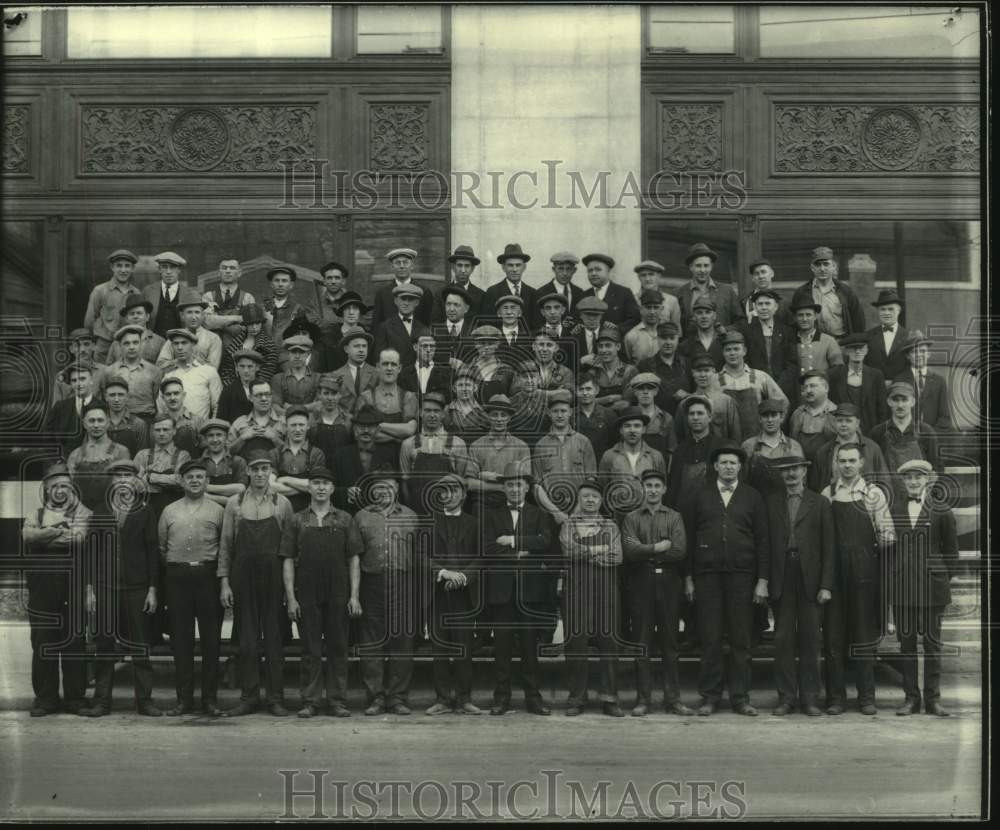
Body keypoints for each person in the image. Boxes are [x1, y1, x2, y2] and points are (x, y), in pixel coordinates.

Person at [683, 443, 769, 716]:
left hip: (742, 577)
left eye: (733, 463)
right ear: (716, 467)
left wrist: (762, 580)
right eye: (724, 463)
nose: (729, 467)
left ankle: (740, 698)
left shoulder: (752, 497)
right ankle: (710, 697)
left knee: (741, 640)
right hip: (706, 576)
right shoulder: (699, 495)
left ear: (740, 467)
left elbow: (763, 541)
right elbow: (687, 538)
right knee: (710, 639)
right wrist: (688, 578)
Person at [81, 459, 161, 717]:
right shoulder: (99, 509)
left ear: (135, 481)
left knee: (140, 645)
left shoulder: (146, 511)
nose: (123, 480)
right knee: (104, 644)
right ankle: (102, 701)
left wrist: (152, 589)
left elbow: (152, 553)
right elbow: (90, 552)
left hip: (136, 586)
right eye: (118, 476)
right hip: (105, 586)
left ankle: (144, 701)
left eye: (128, 476)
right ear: (112, 481)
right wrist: (90, 588)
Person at [218, 451, 296, 717]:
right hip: (243, 578)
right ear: (248, 472)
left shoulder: (282, 503)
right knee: (247, 641)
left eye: (265, 469)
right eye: (255, 469)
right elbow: (226, 545)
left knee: (274, 640)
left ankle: (275, 698)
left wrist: (289, 590)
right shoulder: (234, 503)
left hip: (273, 578)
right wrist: (224, 583)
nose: (260, 474)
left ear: (270, 472)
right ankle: (248, 697)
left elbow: (289, 549)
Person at [819, 442, 895, 715]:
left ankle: (866, 698)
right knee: (833, 638)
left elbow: (888, 537)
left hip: (864, 576)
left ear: (862, 463)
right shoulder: (827, 494)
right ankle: (835, 698)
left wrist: (865, 549)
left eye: (852, 460)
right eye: (843, 461)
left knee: (864, 637)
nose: (847, 465)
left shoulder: (873, 494)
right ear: (836, 463)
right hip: (833, 576)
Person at [283, 466, 364, 718]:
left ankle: (338, 700)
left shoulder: (344, 519)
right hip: (307, 590)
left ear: (331, 489)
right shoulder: (297, 520)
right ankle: (311, 701)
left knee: (338, 646)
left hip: (338, 591)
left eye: (325, 483)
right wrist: (291, 598)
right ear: (309, 487)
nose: (320, 487)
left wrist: (354, 595)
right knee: (310, 648)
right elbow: (286, 559)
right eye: (316, 483)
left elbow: (354, 559)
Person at [483, 461, 556, 716]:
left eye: (519, 485)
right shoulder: (491, 516)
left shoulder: (540, 515)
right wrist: (522, 552)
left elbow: (544, 541)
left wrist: (512, 540)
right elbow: (488, 548)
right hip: (502, 591)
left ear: (527, 488)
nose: (515, 489)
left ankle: (533, 698)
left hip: (530, 591)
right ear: (504, 488)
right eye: (510, 485)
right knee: (501, 648)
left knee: (529, 647)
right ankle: (501, 698)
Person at [765, 455, 834, 717]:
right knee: (782, 640)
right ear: (781, 475)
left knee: (810, 640)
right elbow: (765, 545)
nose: (791, 474)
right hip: (782, 575)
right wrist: (765, 580)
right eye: (785, 470)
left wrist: (826, 584)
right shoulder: (771, 502)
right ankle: (786, 698)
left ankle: (810, 698)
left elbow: (829, 547)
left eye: (795, 469)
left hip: (811, 579)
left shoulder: (820, 503)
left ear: (805, 471)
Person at [889, 459, 959, 717]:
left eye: (918, 477)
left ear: (928, 479)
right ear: (903, 481)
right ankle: (910, 699)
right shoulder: (895, 508)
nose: (914, 482)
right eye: (909, 478)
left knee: (932, 645)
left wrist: (940, 577)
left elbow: (952, 553)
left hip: (932, 588)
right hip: (903, 588)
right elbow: (890, 550)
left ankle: (933, 699)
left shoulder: (941, 509)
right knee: (906, 647)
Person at [22, 463, 92, 716]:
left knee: (74, 640)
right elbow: (27, 536)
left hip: (72, 585)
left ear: (72, 489)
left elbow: (78, 537)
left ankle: (75, 699)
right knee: (43, 641)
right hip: (42, 587)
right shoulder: (36, 513)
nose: (60, 491)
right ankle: (45, 699)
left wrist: (44, 534)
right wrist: (57, 529)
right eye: (55, 487)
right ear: (47, 490)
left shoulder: (83, 512)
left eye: (64, 486)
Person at [157, 458, 226, 716]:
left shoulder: (218, 510)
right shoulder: (169, 510)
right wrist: (180, 567)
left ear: (207, 481)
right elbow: (162, 548)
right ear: (181, 481)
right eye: (190, 477)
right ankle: (183, 700)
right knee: (181, 641)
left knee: (211, 641)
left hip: (208, 576)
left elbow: (224, 547)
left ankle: (210, 700)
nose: (195, 480)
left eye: (200, 476)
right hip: (178, 577)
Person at [621, 468, 692, 716]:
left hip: (670, 582)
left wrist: (646, 550)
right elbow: (629, 551)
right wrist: (658, 546)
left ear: (664, 490)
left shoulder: (674, 517)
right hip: (641, 581)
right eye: (648, 485)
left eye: (656, 486)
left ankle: (673, 699)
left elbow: (679, 551)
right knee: (642, 642)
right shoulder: (631, 518)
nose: (652, 490)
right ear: (642, 488)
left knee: (670, 643)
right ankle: (643, 700)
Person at [354, 467, 424, 715]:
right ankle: (376, 697)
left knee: (401, 641)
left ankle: (397, 698)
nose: (384, 491)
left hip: (403, 582)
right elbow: (354, 557)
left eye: (390, 487)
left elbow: (418, 557)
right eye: (379, 487)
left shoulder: (411, 516)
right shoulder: (361, 517)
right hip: (371, 582)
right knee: (371, 642)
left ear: (397, 489)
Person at [560, 476, 625, 717]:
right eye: (586, 495)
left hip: (606, 590)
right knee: (576, 642)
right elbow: (568, 550)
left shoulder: (611, 526)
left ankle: (610, 698)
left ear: (601, 500)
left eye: (594, 496)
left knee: (609, 641)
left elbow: (617, 556)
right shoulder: (568, 524)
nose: (590, 500)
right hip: (576, 589)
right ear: (579, 498)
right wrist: (598, 550)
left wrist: (585, 552)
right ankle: (576, 698)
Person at [424, 473, 483, 715]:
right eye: (444, 491)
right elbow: (420, 556)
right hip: (437, 594)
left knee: (464, 647)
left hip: (465, 596)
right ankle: (442, 699)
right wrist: (444, 572)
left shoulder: (475, 523)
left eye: (454, 490)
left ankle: (464, 699)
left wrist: (463, 577)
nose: (449, 495)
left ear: (463, 494)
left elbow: (481, 558)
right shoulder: (429, 522)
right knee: (439, 648)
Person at [531, 389, 598, 523]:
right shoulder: (541, 445)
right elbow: (536, 486)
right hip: (550, 512)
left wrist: (578, 510)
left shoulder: (583, 441)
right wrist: (556, 512)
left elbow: (591, 480)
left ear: (571, 412)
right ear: (549, 414)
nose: (560, 415)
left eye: (563, 411)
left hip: (580, 510)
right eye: (555, 411)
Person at [400, 392, 469, 515]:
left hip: (447, 512)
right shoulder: (408, 444)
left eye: (436, 411)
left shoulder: (458, 444)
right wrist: (410, 509)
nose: (432, 415)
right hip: (416, 511)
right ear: (420, 412)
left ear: (443, 414)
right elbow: (405, 482)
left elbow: (461, 481)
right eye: (427, 410)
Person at [716, 330, 789, 439]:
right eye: (728, 350)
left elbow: (783, 403)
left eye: (736, 349)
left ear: (744, 351)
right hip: (726, 441)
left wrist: (772, 429)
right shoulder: (714, 379)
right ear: (723, 352)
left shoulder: (760, 376)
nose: (732, 353)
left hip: (756, 440)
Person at [598, 406, 668, 519]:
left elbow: (662, 490)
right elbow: (603, 488)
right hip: (619, 518)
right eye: (627, 426)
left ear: (644, 429)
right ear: (621, 430)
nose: (632, 430)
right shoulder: (609, 456)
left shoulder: (655, 456)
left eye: (637, 426)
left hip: (649, 518)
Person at [467, 394, 532, 514]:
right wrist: (503, 485)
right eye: (494, 415)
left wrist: (491, 477)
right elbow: (470, 484)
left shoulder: (521, 447)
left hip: (512, 505)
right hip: (483, 504)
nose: (499, 419)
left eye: (503, 415)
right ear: (488, 416)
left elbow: (525, 484)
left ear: (509, 418)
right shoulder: (476, 446)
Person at [329, 406, 398, 514]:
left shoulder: (389, 454)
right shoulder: (340, 455)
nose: (366, 430)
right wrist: (346, 492)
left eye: (370, 426)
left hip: (380, 516)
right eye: (361, 426)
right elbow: (330, 487)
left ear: (378, 429)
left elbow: (396, 488)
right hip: (348, 514)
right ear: (354, 429)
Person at [810, 402, 888, 494]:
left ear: (857, 423)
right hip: (835, 501)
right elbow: (815, 486)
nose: (843, 424)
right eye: (839, 420)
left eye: (848, 420)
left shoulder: (872, 448)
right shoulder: (824, 451)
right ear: (834, 423)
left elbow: (884, 481)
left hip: (864, 502)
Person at [66, 401, 130, 511]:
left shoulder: (121, 451)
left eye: (100, 420)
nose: (96, 425)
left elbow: (124, 487)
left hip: (111, 511)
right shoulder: (75, 454)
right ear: (84, 424)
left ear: (108, 423)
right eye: (91, 421)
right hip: (82, 513)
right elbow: (71, 489)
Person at [789, 246, 865, 338]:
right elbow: (794, 322)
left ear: (833, 266)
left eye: (826, 264)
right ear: (812, 268)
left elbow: (858, 320)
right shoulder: (802, 292)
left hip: (840, 343)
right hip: (814, 343)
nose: (822, 268)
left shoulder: (846, 291)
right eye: (818, 265)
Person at [870, 381, 942, 474]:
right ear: (889, 401)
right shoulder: (878, 432)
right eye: (895, 400)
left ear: (913, 402)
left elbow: (936, 468)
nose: (900, 405)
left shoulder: (926, 431)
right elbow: (873, 468)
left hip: (919, 487)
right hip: (888, 488)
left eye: (904, 400)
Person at [667, 395, 725, 509]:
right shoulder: (680, 450)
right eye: (691, 414)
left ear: (709, 417)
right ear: (687, 418)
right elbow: (673, 488)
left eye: (700, 413)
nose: (695, 417)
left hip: (713, 511)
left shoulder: (722, 447)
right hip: (685, 512)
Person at [357, 348, 418, 454]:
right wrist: (396, 438)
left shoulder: (408, 397)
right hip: (371, 457)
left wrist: (378, 426)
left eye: (393, 364)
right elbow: (361, 433)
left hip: (399, 458)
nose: (389, 368)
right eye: (385, 364)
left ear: (399, 368)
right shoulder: (366, 397)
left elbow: (410, 430)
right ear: (377, 367)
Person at [739, 288, 798, 401]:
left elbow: (792, 364)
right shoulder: (746, 331)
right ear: (755, 307)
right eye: (760, 304)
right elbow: (745, 362)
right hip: (756, 388)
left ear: (775, 307)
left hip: (782, 388)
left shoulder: (787, 331)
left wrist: (778, 387)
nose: (764, 307)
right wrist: (757, 385)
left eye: (768, 303)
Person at [84, 249, 141, 363]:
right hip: (104, 346)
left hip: (127, 346)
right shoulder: (100, 291)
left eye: (127, 266)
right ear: (112, 267)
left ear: (133, 268)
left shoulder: (136, 293)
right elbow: (90, 321)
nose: (123, 270)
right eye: (119, 266)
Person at [740, 399, 804, 499]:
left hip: (784, 503)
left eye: (774, 415)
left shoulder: (793, 446)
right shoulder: (749, 446)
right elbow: (741, 481)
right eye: (765, 416)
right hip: (756, 503)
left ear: (782, 417)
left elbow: (801, 482)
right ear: (760, 419)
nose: (770, 420)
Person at [268, 405, 327, 513]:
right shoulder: (274, 453)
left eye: (301, 425)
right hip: (279, 511)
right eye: (293, 425)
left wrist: (285, 480)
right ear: (286, 427)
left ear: (308, 426)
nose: (298, 429)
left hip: (308, 512)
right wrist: (305, 488)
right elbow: (271, 487)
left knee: (305, 527)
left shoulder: (316, 454)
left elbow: (317, 486)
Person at [828, 332, 888, 436]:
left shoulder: (876, 375)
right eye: (853, 348)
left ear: (867, 350)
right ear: (846, 351)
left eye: (861, 348)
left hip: (870, 431)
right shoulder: (834, 375)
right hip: (842, 430)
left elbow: (882, 409)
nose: (857, 351)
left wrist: (879, 433)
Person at [262, 266, 320, 373]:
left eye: (284, 281)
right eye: (277, 280)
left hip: (287, 356)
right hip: (264, 356)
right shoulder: (262, 307)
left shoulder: (297, 309)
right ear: (271, 284)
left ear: (291, 285)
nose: (280, 284)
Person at [104, 324, 163, 423]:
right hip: (119, 420)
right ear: (119, 346)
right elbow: (105, 398)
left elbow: (159, 402)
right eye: (126, 343)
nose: (131, 347)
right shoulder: (110, 371)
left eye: (135, 343)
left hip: (146, 419)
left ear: (141, 344)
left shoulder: (154, 371)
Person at [135, 414, 190, 519]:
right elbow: (136, 485)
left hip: (174, 508)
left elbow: (182, 481)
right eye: (157, 430)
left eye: (166, 429)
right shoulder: (142, 455)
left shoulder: (183, 455)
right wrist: (168, 481)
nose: (161, 433)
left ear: (174, 431)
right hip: (145, 508)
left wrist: (150, 477)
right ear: (152, 432)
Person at [675, 242, 740, 331]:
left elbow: (741, 322)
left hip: (720, 343)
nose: (702, 270)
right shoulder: (679, 293)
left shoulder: (727, 291)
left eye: (706, 266)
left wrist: (725, 330)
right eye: (698, 266)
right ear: (691, 267)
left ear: (711, 266)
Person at [160, 327, 222, 421]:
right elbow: (161, 408)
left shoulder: (209, 372)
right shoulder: (168, 375)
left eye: (184, 343)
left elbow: (218, 405)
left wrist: (210, 427)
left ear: (193, 345)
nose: (180, 347)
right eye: (176, 344)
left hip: (201, 429)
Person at [897, 332, 953, 431]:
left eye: (922, 351)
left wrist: (930, 436)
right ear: (907, 356)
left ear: (928, 354)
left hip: (933, 437)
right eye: (914, 352)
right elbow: (896, 414)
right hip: (907, 438)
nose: (919, 355)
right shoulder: (900, 380)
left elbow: (945, 417)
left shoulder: (939, 381)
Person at [679, 354, 740, 442]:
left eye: (707, 371)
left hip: (722, 452)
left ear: (714, 372)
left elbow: (735, 435)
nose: (703, 375)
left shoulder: (726, 401)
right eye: (699, 371)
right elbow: (680, 436)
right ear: (693, 373)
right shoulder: (685, 403)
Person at [156, 291, 223, 371]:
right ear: (182, 316)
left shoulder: (213, 338)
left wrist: (192, 361)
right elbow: (160, 365)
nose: (193, 317)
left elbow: (213, 368)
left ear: (203, 315)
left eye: (197, 312)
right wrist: (179, 362)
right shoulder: (174, 337)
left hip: (202, 381)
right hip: (177, 380)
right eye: (189, 312)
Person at [371, 247, 433, 329]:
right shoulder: (382, 293)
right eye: (398, 263)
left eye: (405, 262)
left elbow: (428, 323)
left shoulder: (424, 292)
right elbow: (377, 325)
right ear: (392, 267)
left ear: (412, 266)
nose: (402, 266)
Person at [45, 361, 97, 457]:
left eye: (82, 379)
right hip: (64, 463)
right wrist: (57, 459)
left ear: (91, 380)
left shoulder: (101, 406)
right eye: (74, 380)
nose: (78, 384)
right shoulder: (59, 407)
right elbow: (48, 439)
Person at [202, 258, 257, 349]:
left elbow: (252, 325)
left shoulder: (248, 297)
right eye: (224, 268)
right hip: (213, 346)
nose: (228, 271)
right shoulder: (208, 296)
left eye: (232, 268)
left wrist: (219, 321)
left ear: (239, 273)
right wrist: (238, 318)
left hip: (239, 346)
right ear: (219, 273)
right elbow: (207, 322)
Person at [580, 252, 641, 334]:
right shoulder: (584, 295)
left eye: (598, 269)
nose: (593, 273)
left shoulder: (624, 293)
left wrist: (617, 328)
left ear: (608, 271)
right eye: (590, 271)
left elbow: (635, 319)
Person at [373, 283, 431, 368]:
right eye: (403, 299)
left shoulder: (424, 329)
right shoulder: (385, 327)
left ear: (417, 303)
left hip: (416, 378)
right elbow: (379, 358)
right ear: (396, 301)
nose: (406, 303)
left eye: (410, 299)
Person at [220, 303, 278, 386]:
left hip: (257, 388)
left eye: (257, 323)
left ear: (262, 323)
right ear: (245, 325)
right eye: (250, 324)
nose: (254, 327)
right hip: (235, 387)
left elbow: (266, 373)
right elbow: (227, 371)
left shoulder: (268, 346)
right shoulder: (235, 344)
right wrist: (233, 388)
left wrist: (251, 388)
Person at [788, 371, 839, 465]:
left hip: (827, 469)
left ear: (826, 388)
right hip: (803, 468)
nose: (808, 390)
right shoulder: (798, 414)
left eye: (813, 386)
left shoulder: (837, 414)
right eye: (805, 387)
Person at [485, 243, 540, 330]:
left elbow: (536, 324)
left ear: (524, 267)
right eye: (510, 265)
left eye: (518, 265)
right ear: (503, 267)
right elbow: (490, 324)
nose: (514, 269)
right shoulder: (492, 292)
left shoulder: (532, 293)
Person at [625, 373, 677, 461]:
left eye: (650, 388)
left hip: (658, 469)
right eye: (641, 388)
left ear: (656, 391)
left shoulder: (666, 418)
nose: (645, 392)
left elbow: (672, 451)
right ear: (635, 392)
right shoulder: (627, 417)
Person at [431, 245, 488, 324]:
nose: (463, 270)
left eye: (467, 266)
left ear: (472, 268)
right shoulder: (440, 294)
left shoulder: (481, 296)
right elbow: (435, 324)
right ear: (453, 267)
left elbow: (482, 326)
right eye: (459, 265)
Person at [198, 419, 248, 507]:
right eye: (210, 435)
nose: (215, 439)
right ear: (205, 439)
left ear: (226, 437)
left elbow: (241, 488)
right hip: (205, 510)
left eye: (219, 435)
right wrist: (226, 499)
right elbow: (196, 492)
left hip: (233, 511)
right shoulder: (198, 464)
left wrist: (207, 488)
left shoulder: (238, 461)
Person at [791, 299, 843, 383]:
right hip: (796, 391)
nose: (804, 319)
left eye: (808, 315)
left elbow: (838, 368)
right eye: (800, 315)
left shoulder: (828, 341)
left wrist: (821, 379)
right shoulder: (789, 340)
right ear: (795, 317)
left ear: (815, 316)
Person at [328, 327, 378, 414]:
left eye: (364, 346)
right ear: (346, 349)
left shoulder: (377, 373)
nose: (361, 350)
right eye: (356, 346)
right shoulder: (335, 375)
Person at [864, 289, 910, 382]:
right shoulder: (868, 336)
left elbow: (911, 367)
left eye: (891, 309)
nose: (887, 313)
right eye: (883, 309)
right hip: (874, 388)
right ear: (878, 311)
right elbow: (865, 366)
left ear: (899, 310)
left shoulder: (908, 336)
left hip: (900, 389)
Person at [306, 374, 354, 462]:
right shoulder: (311, 419)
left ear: (340, 395)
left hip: (342, 467)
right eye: (326, 393)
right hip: (317, 467)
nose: (330, 398)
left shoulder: (348, 420)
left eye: (334, 393)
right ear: (319, 395)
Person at [106, 294, 165, 366]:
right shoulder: (117, 343)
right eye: (132, 314)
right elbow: (109, 369)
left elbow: (162, 369)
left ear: (147, 317)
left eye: (139, 313)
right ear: (127, 318)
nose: (135, 316)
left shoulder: (159, 342)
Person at [319, 291, 370, 372]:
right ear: (342, 311)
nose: (351, 312)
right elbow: (321, 367)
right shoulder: (329, 338)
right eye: (347, 308)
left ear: (360, 312)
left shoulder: (368, 336)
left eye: (355, 308)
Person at [143, 251, 188, 338]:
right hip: (154, 344)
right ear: (159, 269)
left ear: (179, 270)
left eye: (173, 267)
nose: (168, 272)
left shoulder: (188, 293)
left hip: (180, 345)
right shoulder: (148, 291)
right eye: (164, 267)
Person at [738, 259, 794, 327]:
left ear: (772, 274)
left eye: (763, 272)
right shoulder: (745, 302)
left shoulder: (784, 301)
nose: (761, 276)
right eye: (756, 274)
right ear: (752, 278)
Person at [103, 376, 150, 456]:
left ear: (127, 397)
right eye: (112, 395)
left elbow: (142, 456)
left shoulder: (138, 424)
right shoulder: (99, 422)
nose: (116, 399)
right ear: (106, 397)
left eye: (121, 395)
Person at [269, 334, 319, 407]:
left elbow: (319, 406)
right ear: (288, 354)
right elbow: (276, 407)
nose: (297, 356)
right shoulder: (278, 379)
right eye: (293, 352)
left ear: (308, 354)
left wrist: (289, 406)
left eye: (301, 352)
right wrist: (310, 406)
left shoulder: (317, 378)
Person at [592, 327, 637, 409]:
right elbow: (586, 401)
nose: (604, 350)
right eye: (600, 346)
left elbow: (628, 401)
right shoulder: (593, 371)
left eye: (608, 345)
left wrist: (598, 401)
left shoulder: (630, 371)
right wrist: (609, 399)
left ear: (618, 346)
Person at [574, 371, 615, 462]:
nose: (585, 393)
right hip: (577, 466)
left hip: (602, 464)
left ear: (596, 390)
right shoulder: (570, 416)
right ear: (576, 392)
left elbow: (614, 443)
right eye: (581, 389)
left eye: (588, 389)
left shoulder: (609, 414)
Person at [399, 333, 452, 403]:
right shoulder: (405, 373)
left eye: (432, 346)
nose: (428, 350)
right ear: (415, 347)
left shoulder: (445, 372)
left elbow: (447, 398)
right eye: (425, 346)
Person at [157, 376, 203, 455]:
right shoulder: (158, 422)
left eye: (176, 393)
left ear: (183, 395)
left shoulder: (196, 420)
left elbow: (204, 448)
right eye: (168, 394)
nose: (172, 398)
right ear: (163, 398)